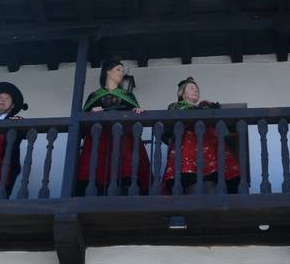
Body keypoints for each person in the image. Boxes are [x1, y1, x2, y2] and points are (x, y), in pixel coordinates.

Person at [75, 59, 151, 195]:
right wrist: (91, 113)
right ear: (108, 72)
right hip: (100, 138)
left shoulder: (128, 95)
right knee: (96, 162)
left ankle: (126, 187)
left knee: (126, 161)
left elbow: (136, 119)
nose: (122, 73)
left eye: (123, 71)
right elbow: (81, 124)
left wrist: (137, 111)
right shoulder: (94, 96)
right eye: (118, 69)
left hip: (123, 137)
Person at [162, 76, 241, 194]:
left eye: (197, 89)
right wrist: (201, 109)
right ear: (182, 93)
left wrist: (210, 107)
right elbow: (169, 129)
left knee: (211, 182)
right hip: (187, 151)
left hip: (209, 149)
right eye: (191, 88)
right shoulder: (175, 106)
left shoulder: (204, 108)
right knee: (191, 183)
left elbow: (222, 127)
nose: (195, 90)